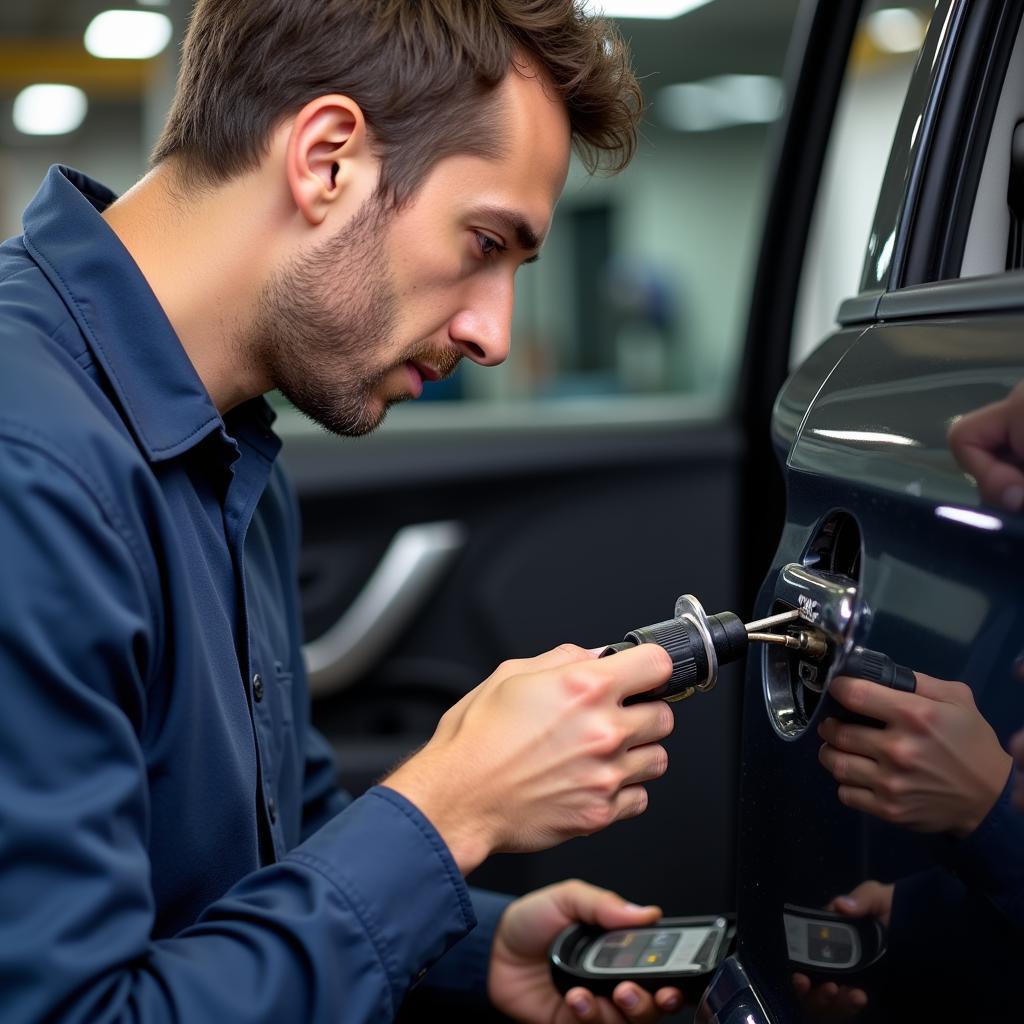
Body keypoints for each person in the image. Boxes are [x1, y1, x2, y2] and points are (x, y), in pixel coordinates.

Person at [0, 3, 686, 1021]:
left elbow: (261, 861)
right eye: (484, 241)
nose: (494, 333)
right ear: (327, 160)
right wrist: (446, 810)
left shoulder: (230, 450)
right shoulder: (32, 469)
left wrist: (473, 946)